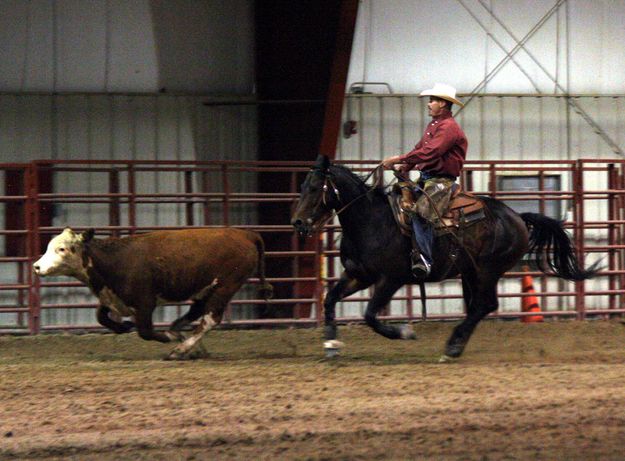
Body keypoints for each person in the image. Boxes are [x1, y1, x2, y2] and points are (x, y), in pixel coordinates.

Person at [382, 83, 468, 278]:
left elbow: (431, 152)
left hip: (441, 182)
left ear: (443, 104)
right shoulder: (434, 126)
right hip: (427, 179)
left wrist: (398, 159)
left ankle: (425, 259)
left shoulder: (449, 128)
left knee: (421, 213)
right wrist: (406, 168)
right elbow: (420, 149)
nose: (429, 104)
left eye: (433, 100)